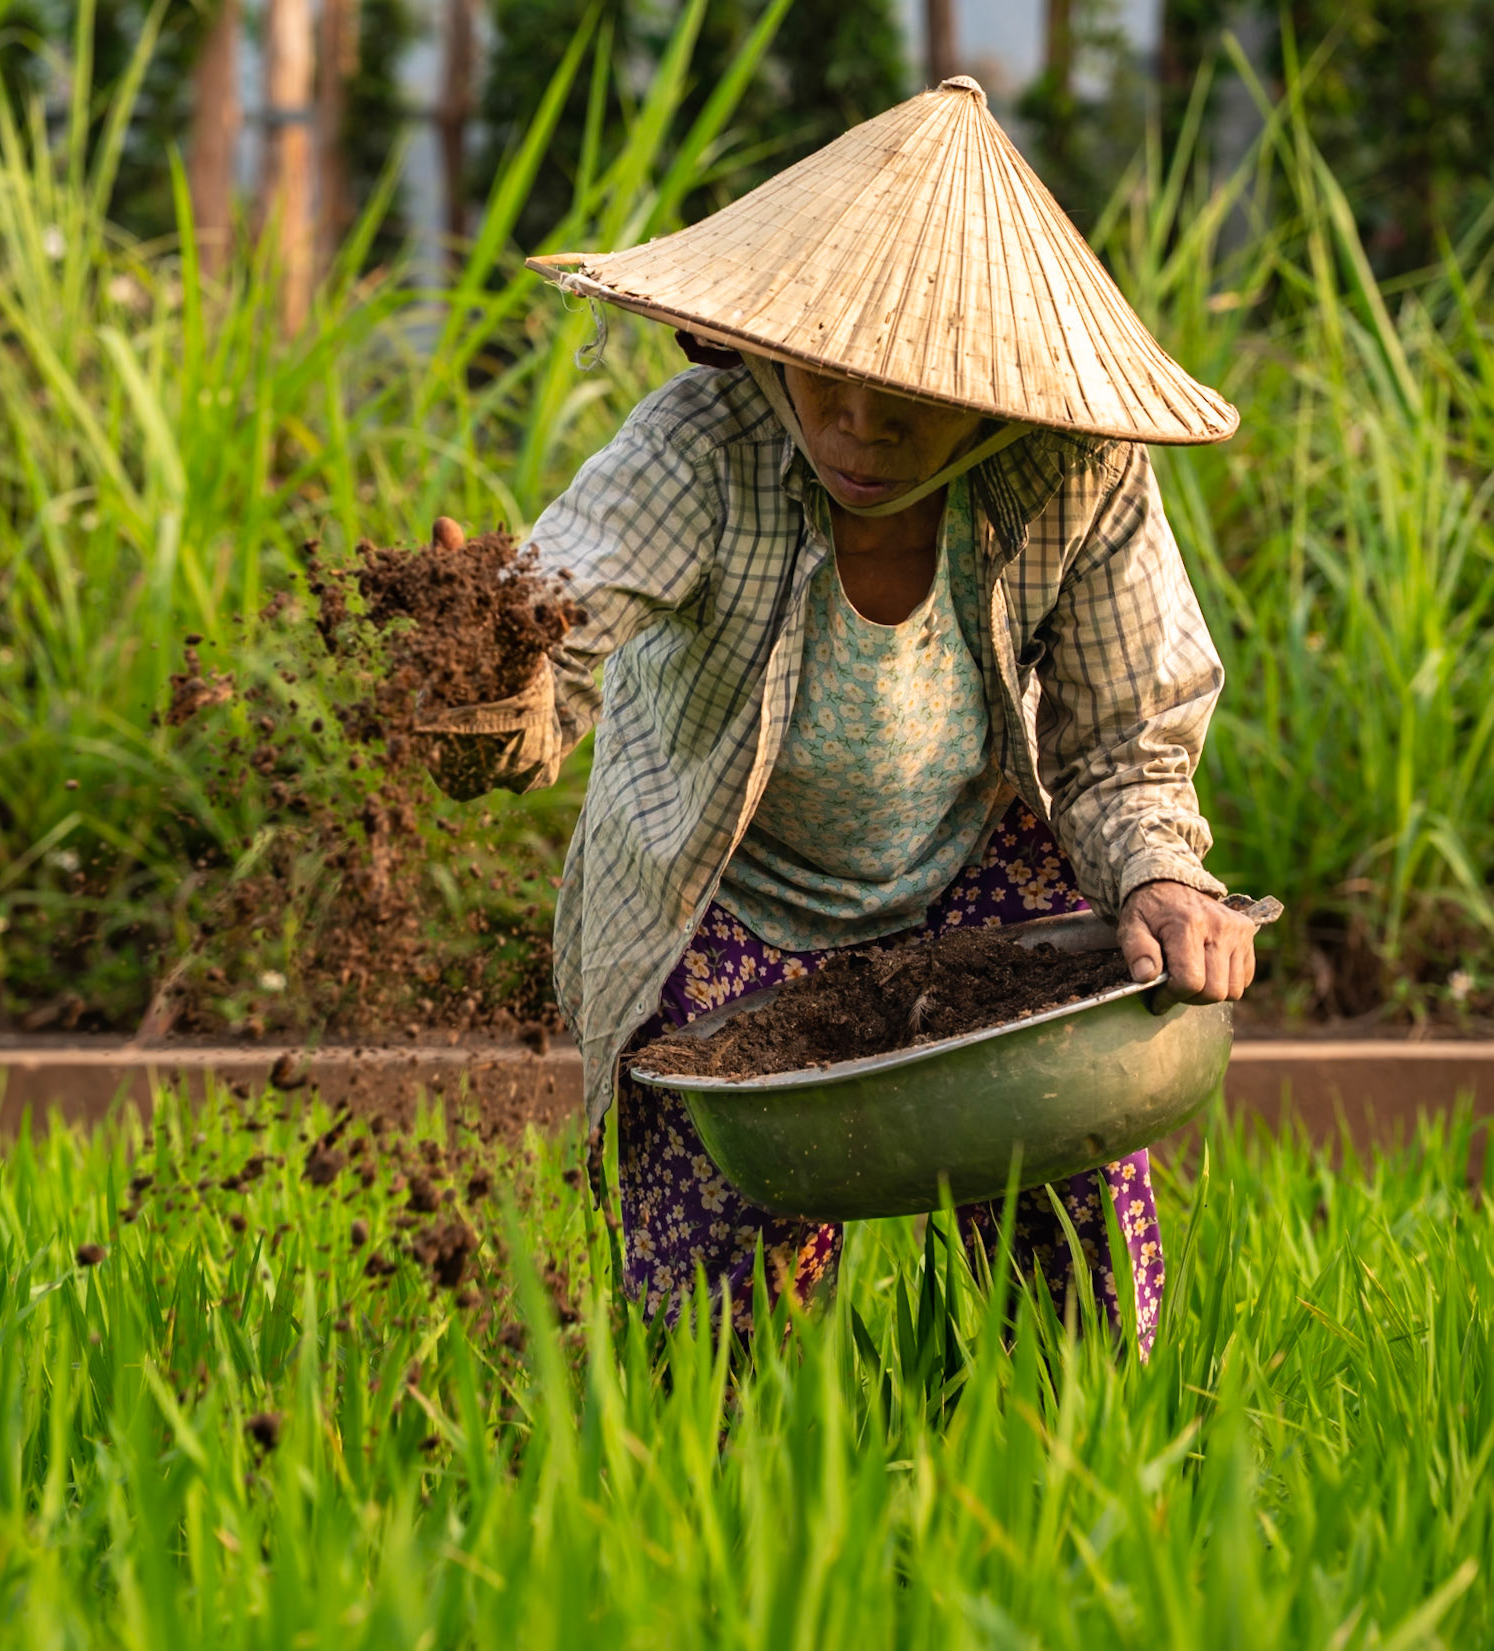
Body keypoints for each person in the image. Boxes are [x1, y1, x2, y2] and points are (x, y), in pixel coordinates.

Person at [422, 78, 1255, 1357]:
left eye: (911, 396)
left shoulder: (1073, 473)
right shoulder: (704, 448)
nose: (860, 426)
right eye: (827, 380)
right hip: (722, 901)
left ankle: (1070, 1462)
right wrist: (482, 677)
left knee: (1071, 1231)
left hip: (969, 887)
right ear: (772, 346)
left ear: (996, 394)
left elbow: (1120, 732)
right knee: (701, 1329)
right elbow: (560, 629)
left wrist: (1158, 875)